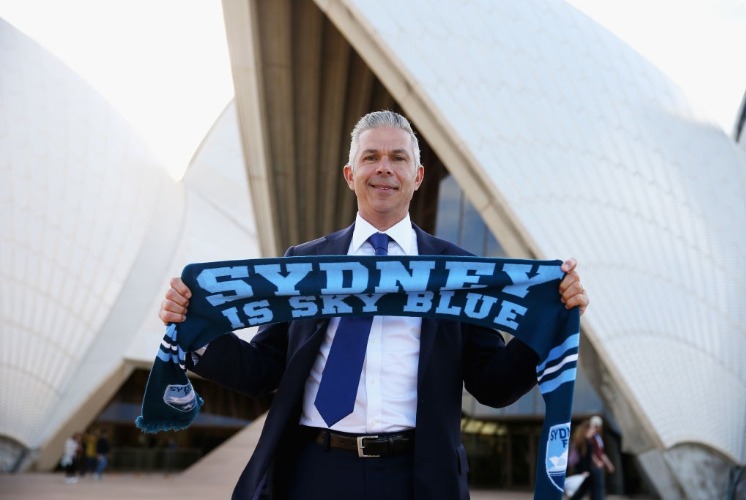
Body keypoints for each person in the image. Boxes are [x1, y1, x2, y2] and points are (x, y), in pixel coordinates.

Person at [159, 110, 590, 499]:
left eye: (398, 158)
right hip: (314, 472)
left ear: (418, 176)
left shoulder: (458, 270)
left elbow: (492, 386)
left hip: (417, 476)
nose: (384, 167)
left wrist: (546, 326)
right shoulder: (305, 264)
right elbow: (263, 370)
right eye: (371, 157)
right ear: (350, 174)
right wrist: (198, 329)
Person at [570, 415, 615, 500]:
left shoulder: (592, 439)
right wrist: (596, 463)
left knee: (586, 491)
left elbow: (600, 453)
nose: (595, 429)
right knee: (596, 492)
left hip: (590, 469)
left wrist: (607, 463)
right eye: (593, 427)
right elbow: (588, 455)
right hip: (591, 469)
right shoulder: (586, 441)